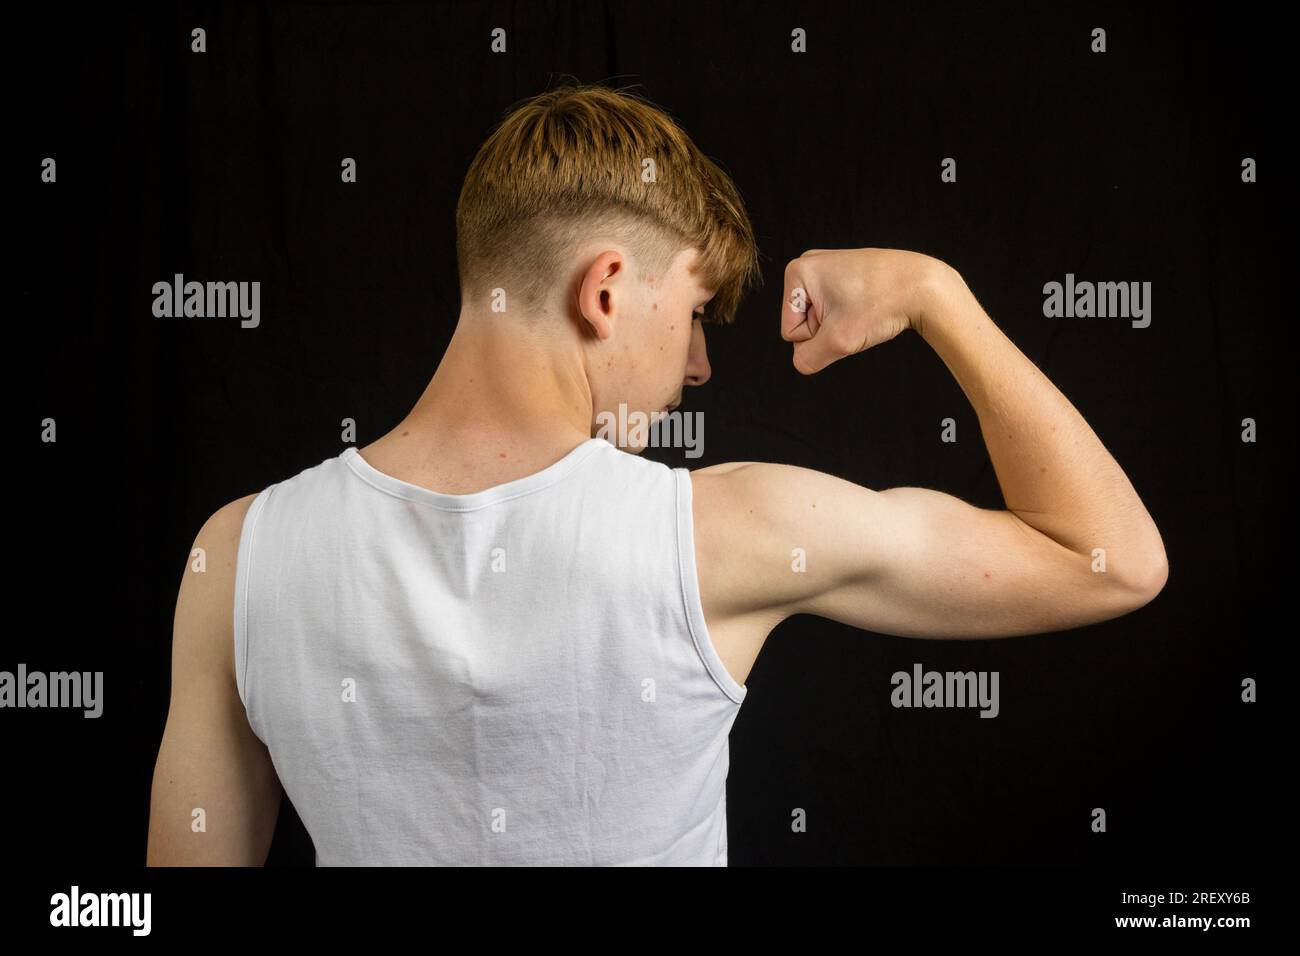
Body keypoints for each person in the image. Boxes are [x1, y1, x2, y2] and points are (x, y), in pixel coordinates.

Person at [147, 82, 1167, 866]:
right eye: (693, 314)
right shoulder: (721, 532)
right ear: (603, 289)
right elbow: (1110, 559)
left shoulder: (237, 555)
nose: (697, 366)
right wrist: (934, 293)